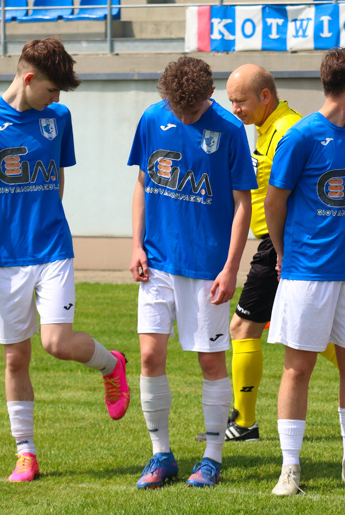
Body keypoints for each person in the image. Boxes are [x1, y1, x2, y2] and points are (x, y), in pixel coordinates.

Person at [0, 36, 130, 483]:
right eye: (51, 90)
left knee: (56, 343)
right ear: (28, 79)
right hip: (2, 255)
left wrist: (47, 220)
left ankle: (112, 365)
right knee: (15, 359)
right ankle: (26, 452)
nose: (57, 99)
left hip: (51, 248)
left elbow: (57, 179)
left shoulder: (58, 118)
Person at [219, 63, 345, 443]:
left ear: (266, 96)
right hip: (287, 247)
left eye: (240, 101)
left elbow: (287, 198)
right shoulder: (271, 128)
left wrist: (282, 249)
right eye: (231, 102)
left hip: (292, 249)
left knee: (245, 328)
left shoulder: (291, 132)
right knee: (311, 339)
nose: (235, 110)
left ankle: (244, 422)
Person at [128, 57, 255, 490]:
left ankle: (212, 456)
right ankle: (160, 453)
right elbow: (144, 184)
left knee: (209, 361)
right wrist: (136, 245)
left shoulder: (231, 130)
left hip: (207, 268)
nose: (184, 118)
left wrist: (230, 267)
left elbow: (243, 205)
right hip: (158, 262)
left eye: (193, 111)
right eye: (177, 110)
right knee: (149, 356)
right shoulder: (152, 117)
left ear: (210, 96)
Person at [264, 47, 345, 496]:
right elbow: (274, 202)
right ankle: (290, 467)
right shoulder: (300, 136)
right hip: (307, 272)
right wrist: (283, 251)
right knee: (299, 368)